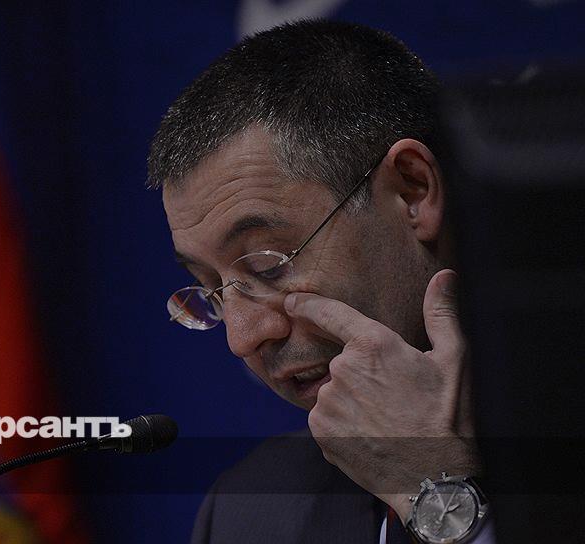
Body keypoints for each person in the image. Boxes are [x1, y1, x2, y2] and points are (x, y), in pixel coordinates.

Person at [148, 20, 492, 543]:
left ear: (413, 190)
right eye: (211, 287)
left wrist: (432, 485)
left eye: (267, 265)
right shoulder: (248, 513)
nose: (243, 338)